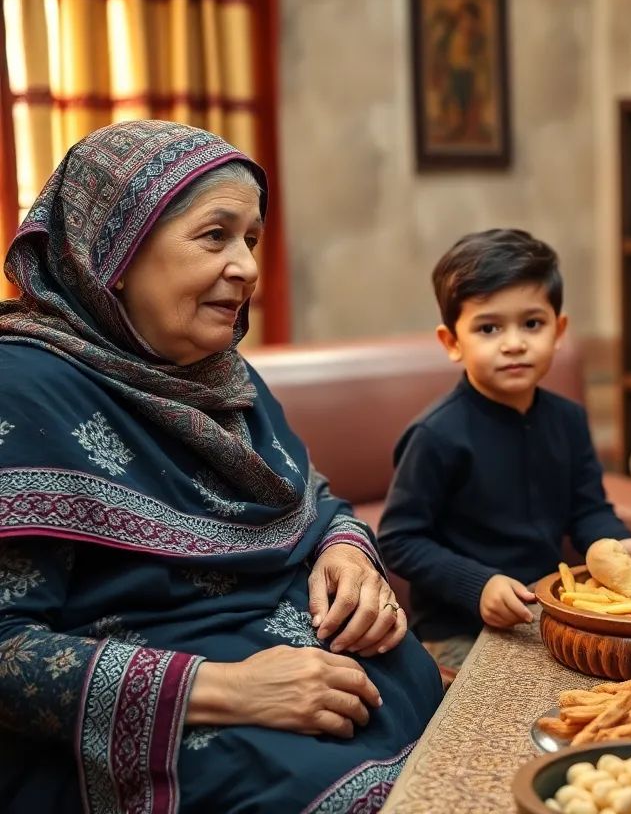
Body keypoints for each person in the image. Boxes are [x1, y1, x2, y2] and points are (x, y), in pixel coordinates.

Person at [0, 120, 443, 813]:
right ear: (115, 253)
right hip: (166, 738)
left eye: (252, 240)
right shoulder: (22, 389)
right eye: (215, 236)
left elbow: (310, 499)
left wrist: (348, 555)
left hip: (332, 691)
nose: (248, 268)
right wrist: (231, 689)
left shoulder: (222, 377)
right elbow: (7, 652)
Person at [376, 229, 631, 668]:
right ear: (452, 342)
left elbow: (588, 510)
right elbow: (400, 540)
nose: (514, 343)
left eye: (532, 324)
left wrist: (615, 546)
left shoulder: (568, 419)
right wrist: (479, 585)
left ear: (558, 331)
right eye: (489, 328)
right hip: (459, 629)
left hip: (548, 612)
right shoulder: (435, 434)